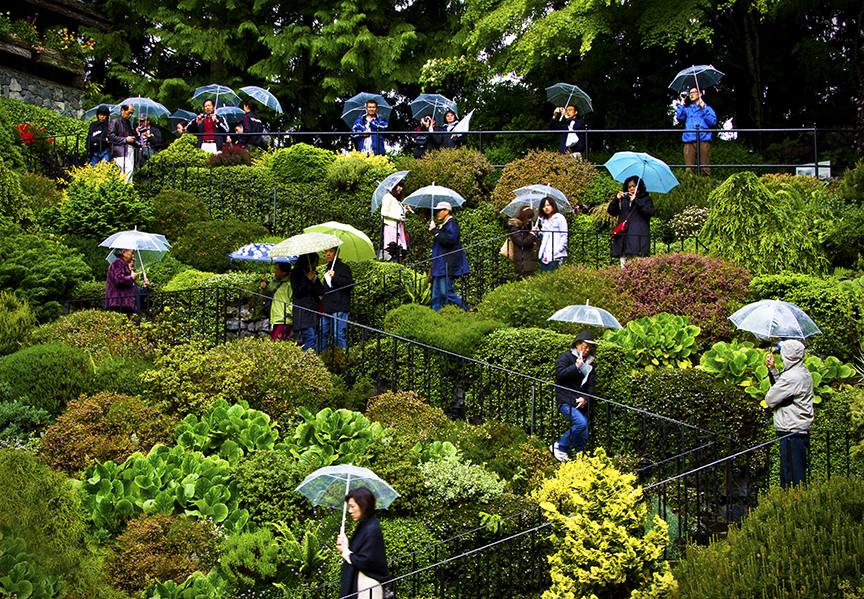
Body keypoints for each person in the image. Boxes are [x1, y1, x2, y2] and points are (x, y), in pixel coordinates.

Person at [764, 340, 814, 488]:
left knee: (791, 475)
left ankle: (793, 506)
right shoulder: (802, 372)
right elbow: (787, 393)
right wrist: (773, 370)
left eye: (782, 352)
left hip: (791, 429)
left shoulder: (792, 377)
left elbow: (771, 398)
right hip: (798, 428)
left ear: (787, 356)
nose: (780, 355)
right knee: (796, 471)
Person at [337, 487, 390, 599]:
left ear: (363, 505)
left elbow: (365, 561)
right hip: (359, 582)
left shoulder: (372, 528)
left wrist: (346, 552)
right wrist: (346, 545)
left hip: (367, 585)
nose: (350, 511)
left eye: (352, 506)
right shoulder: (364, 526)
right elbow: (359, 553)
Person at [551, 331, 596, 461]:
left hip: (580, 403)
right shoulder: (566, 357)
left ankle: (577, 462)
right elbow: (559, 375)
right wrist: (576, 367)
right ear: (577, 344)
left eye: (589, 348)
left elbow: (591, 386)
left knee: (583, 432)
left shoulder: (590, 364)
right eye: (585, 346)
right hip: (565, 399)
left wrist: (585, 399)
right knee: (581, 424)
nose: (587, 350)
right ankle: (560, 446)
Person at [429, 201, 470, 312]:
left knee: (446, 292)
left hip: (446, 263)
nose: (437, 213)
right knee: (436, 294)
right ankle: (436, 314)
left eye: (439, 211)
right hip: (440, 264)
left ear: (446, 211)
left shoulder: (452, 224)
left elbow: (449, 240)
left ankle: (465, 311)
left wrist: (434, 231)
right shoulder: (444, 225)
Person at [607, 176, 655, 267]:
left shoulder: (646, 199)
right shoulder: (624, 199)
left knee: (636, 266)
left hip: (637, 238)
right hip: (623, 238)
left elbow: (650, 212)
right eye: (629, 187)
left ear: (639, 186)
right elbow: (611, 211)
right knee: (623, 265)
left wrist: (636, 201)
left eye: (634, 186)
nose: (632, 188)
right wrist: (616, 199)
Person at [675, 87, 717, 176]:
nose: (692, 94)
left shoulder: (707, 108)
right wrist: (682, 102)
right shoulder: (687, 109)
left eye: (694, 92)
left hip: (703, 139)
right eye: (690, 93)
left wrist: (704, 108)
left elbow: (712, 122)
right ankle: (691, 188)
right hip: (689, 140)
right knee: (689, 169)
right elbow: (679, 118)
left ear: (700, 94)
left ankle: (706, 187)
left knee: (705, 168)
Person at [321, 247, 353, 352]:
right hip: (328, 307)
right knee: (322, 331)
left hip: (339, 305)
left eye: (331, 251)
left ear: (337, 253)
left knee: (338, 333)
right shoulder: (327, 268)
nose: (328, 254)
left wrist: (335, 277)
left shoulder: (343, 268)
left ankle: (343, 359)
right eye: (326, 252)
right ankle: (321, 357)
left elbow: (349, 285)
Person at [290, 253, 325, 352]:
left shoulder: (312, 273)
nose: (315, 264)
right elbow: (297, 291)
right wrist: (307, 280)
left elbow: (321, 290)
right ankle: (307, 363)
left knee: (313, 340)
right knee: (309, 340)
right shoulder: (296, 272)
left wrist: (311, 284)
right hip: (302, 313)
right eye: (314, 261)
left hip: (313, 313)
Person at [259, 261, 293, 341]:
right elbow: (266, 294)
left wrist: (287, 312)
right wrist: (264, 288)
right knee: (272, 342)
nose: (274, 271)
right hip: (274, 319)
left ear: (284, 272)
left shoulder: (289, 284)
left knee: (276, 342)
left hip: (284, 320)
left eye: (277, 269)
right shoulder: (274, 283)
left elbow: (294, 301)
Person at [535, 197, 568, 272]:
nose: (546, 207)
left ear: (553, 205)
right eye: (544, 206)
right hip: (545, 255)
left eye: (548, 205)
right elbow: (545, 236)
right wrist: (537, 231)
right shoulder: (544, 221)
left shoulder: (559, 218)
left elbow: (564, 235)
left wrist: (558, 250)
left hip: (556, 255)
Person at [103, 248, 139, 316]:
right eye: (131, 253)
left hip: (122, 303)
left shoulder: (121, 263)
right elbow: (119, 280)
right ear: (123, 252)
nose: (132, 256)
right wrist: (131, 278)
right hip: (118, 303)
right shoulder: (118, 262)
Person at [380, 179, 409, 263]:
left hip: (399, 228)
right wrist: (397, 217)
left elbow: (397, 212)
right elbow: (384, 212)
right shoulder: (387, 197)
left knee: (401, 251)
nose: (401, 188)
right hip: (391, 227)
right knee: (393, 251)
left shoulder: (396, 199)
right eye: (399, 186)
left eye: (402, 186)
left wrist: (404, 210)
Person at [107, 104, 137, 183]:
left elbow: (131, 135)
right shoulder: (115, 121)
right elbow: (110, 137)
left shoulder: (128, 123)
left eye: (132, 113)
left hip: (129, 149)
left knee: (128, 172)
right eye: (129, 113)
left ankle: (126, 189)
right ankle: (123, 188)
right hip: (119, 150)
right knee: (128, 169)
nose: (130, 115)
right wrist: (125, 140)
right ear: (122, 110)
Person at [508, 206, 538, 278]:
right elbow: (522, 242)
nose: (530, 219)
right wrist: (531, 234)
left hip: (528, 259)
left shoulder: (525, 227)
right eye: (528, 217)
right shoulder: (516, 229)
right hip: (522, 260)